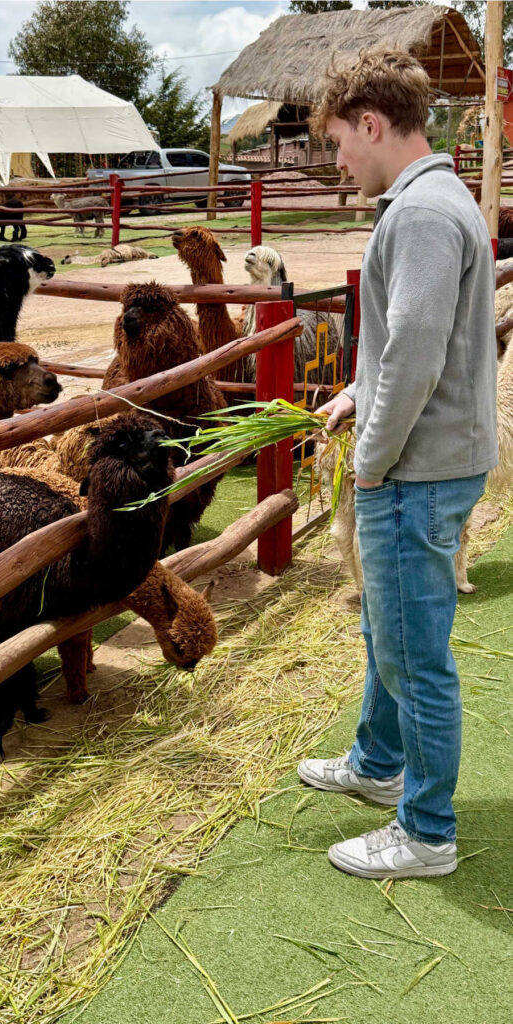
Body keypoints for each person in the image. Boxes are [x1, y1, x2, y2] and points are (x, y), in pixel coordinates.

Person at [297, 51, 498, 879]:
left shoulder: (416, 216)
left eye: (340, 139)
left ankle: (425, 831)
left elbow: (414, 352)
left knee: (412, 653)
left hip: (413, 470)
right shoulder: (435, 201)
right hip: (428, 457)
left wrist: (370, 462)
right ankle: (378, 767)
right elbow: (411, 343)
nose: (338, 159)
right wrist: (354, 389)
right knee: (390, 629)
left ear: (372, 124)